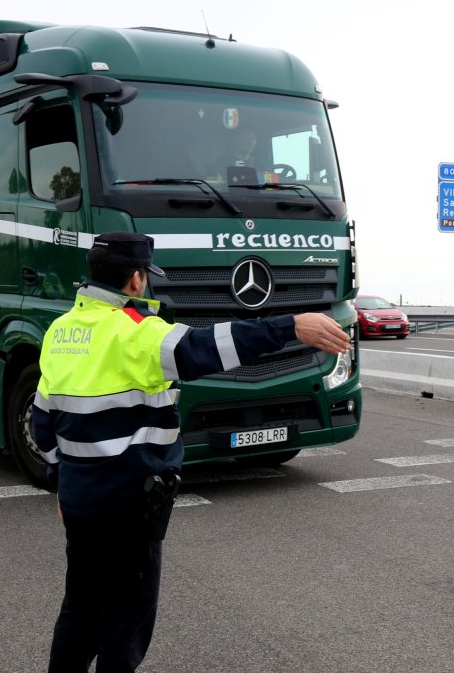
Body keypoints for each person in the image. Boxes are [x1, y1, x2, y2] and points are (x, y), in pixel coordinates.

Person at [32, 231, 349, 672]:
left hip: (81, 503)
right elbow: (209, 347)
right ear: (136, 279)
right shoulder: (136, 333)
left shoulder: (60, 332)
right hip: (128, 505)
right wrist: (291, 326)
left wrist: (62, 484)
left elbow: (42, 423)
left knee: (80, 608)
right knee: (126, 622)